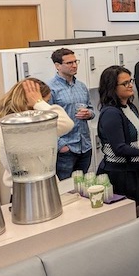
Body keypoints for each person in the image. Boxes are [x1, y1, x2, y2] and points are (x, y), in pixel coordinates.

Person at [97, 66, 139, 206]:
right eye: (125, 83)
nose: (130, 86)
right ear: (112, 87)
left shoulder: (130, 107)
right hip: (122, 174)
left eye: (130, 81)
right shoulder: (111, 113)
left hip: (138, 169)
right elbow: (119, 148)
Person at [0, 78, 74, 191]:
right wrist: (39, 102)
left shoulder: (1, 124)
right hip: (39, 190)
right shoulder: (28, 129)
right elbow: (66, 123)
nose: (46, 107)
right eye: (46, 101)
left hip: (19, 191)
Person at [47, 48, 95, 180]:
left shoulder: (81, 86)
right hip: (66, 149)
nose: (74, 65)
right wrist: (61, 146)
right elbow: (46, 123)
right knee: (66, 191)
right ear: (57, 66)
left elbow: (91, 110)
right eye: (69, 63)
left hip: (84, 146)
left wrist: (89, 114)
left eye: (75, 61)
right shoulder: (50, 89)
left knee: (82, 187)